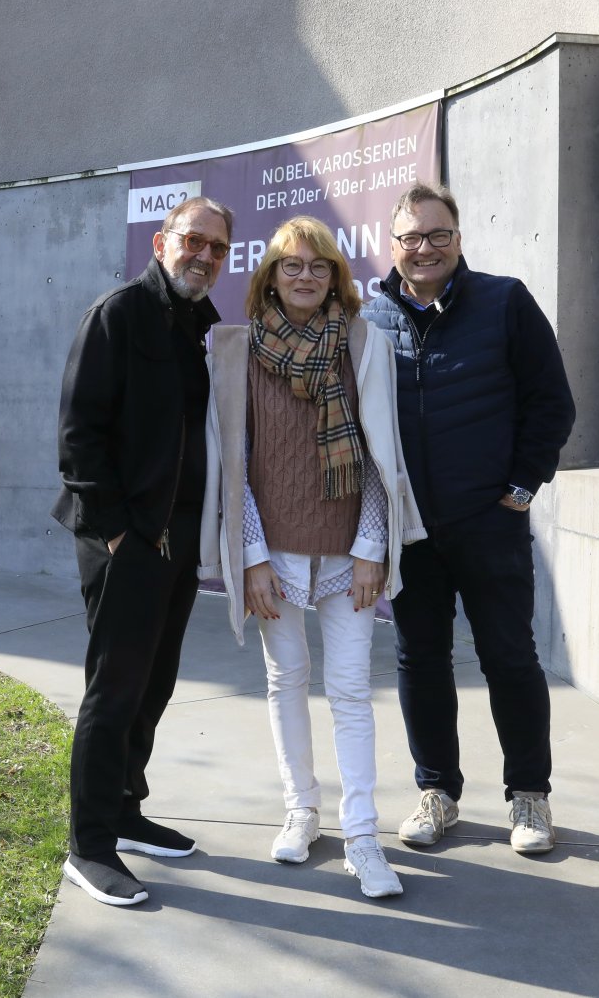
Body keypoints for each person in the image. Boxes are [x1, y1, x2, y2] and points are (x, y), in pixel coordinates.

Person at [199, 216, 426, 898]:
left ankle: (362, 835)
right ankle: (301, 810)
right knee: (286, 679)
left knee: (351, 690)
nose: (305, 276)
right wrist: (250, 557)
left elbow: (382, 453)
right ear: (270, 276)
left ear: (335, 276)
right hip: (272, 551)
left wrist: (371, 550)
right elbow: (235, 463)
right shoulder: (235, 350)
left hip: (349, 550)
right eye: (292, 265)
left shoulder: (364, 343)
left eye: (319, 266)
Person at [363, 182, 576, 855]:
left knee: (509, 658)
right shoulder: (369, 318)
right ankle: (437, 791)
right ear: (392, 245)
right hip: (411, 531)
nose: (424, 248)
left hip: (490, 522)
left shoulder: (505, 301)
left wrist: (522, 484)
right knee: (420, 660)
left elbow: (552, 400)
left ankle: (530, 795)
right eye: (411, 237)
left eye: (438, 235)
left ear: (458, 240)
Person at [50, 196, 231, 907]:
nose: (204, 256)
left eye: (217, 248)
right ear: (162, 242)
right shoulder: (118, 313)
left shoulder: (203, 325)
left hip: (178, 537)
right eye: (193, 241)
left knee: (154, 682)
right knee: (115, 686)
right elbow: (79, 433)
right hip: (125, 536)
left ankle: (125, 809)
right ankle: (90, 844)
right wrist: (118, 532)